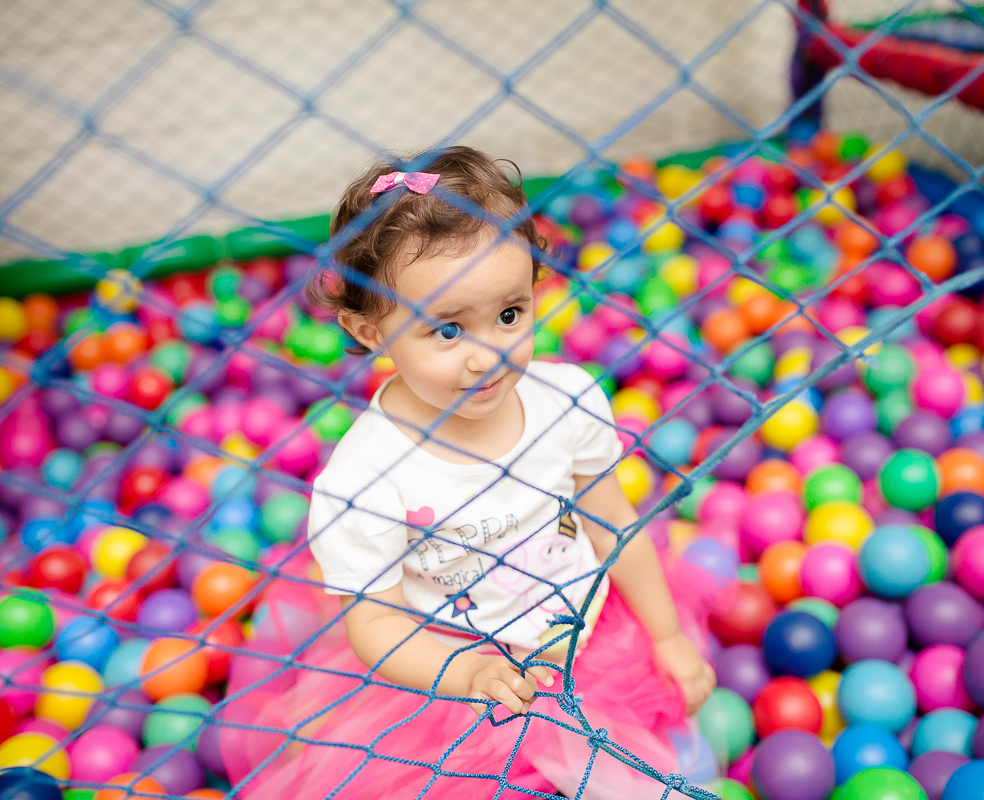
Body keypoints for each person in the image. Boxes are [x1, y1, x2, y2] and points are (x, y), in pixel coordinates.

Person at [220, 146, 731, 800]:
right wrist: (465, 673)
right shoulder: (365, 478)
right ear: (369, 331)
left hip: (582, 625)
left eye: (510, 315)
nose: (488, 356)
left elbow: (615, 524)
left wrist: (665, 637)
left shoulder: (567, 400)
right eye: (447, 330)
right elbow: (377, 624)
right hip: (449, 663)